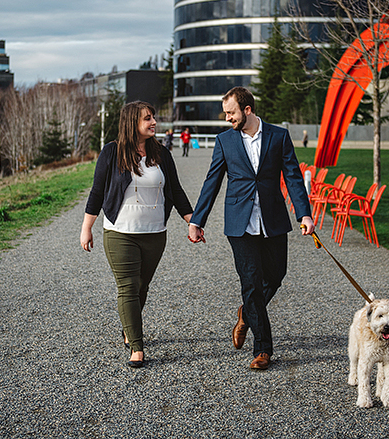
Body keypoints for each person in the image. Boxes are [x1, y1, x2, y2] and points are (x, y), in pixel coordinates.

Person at [188, 86, 314, 371]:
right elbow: (212, 182)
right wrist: (197, 220)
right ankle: (263, 349)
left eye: (230, 112)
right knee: (251, 282)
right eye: (225, 113)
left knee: (276, 276)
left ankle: (246, 313)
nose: (226, 118)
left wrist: (304, 215)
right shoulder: (224, 141)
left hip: (273, 220)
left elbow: (293, 177)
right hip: (239, 222)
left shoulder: (278, 136)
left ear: (247, 110)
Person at [80, 101, 193, 368]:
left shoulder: (162, 154)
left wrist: (193, 221)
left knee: (142, 286)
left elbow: (176, 191)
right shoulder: (112, 152)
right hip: (120, 232)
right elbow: (97, 192)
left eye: (153, 117)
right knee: (128, 287)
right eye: (147, 118)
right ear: (132, 122)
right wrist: (87, 228)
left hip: (155, 233)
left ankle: (128, 328)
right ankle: (137, 346)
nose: (153, 122)